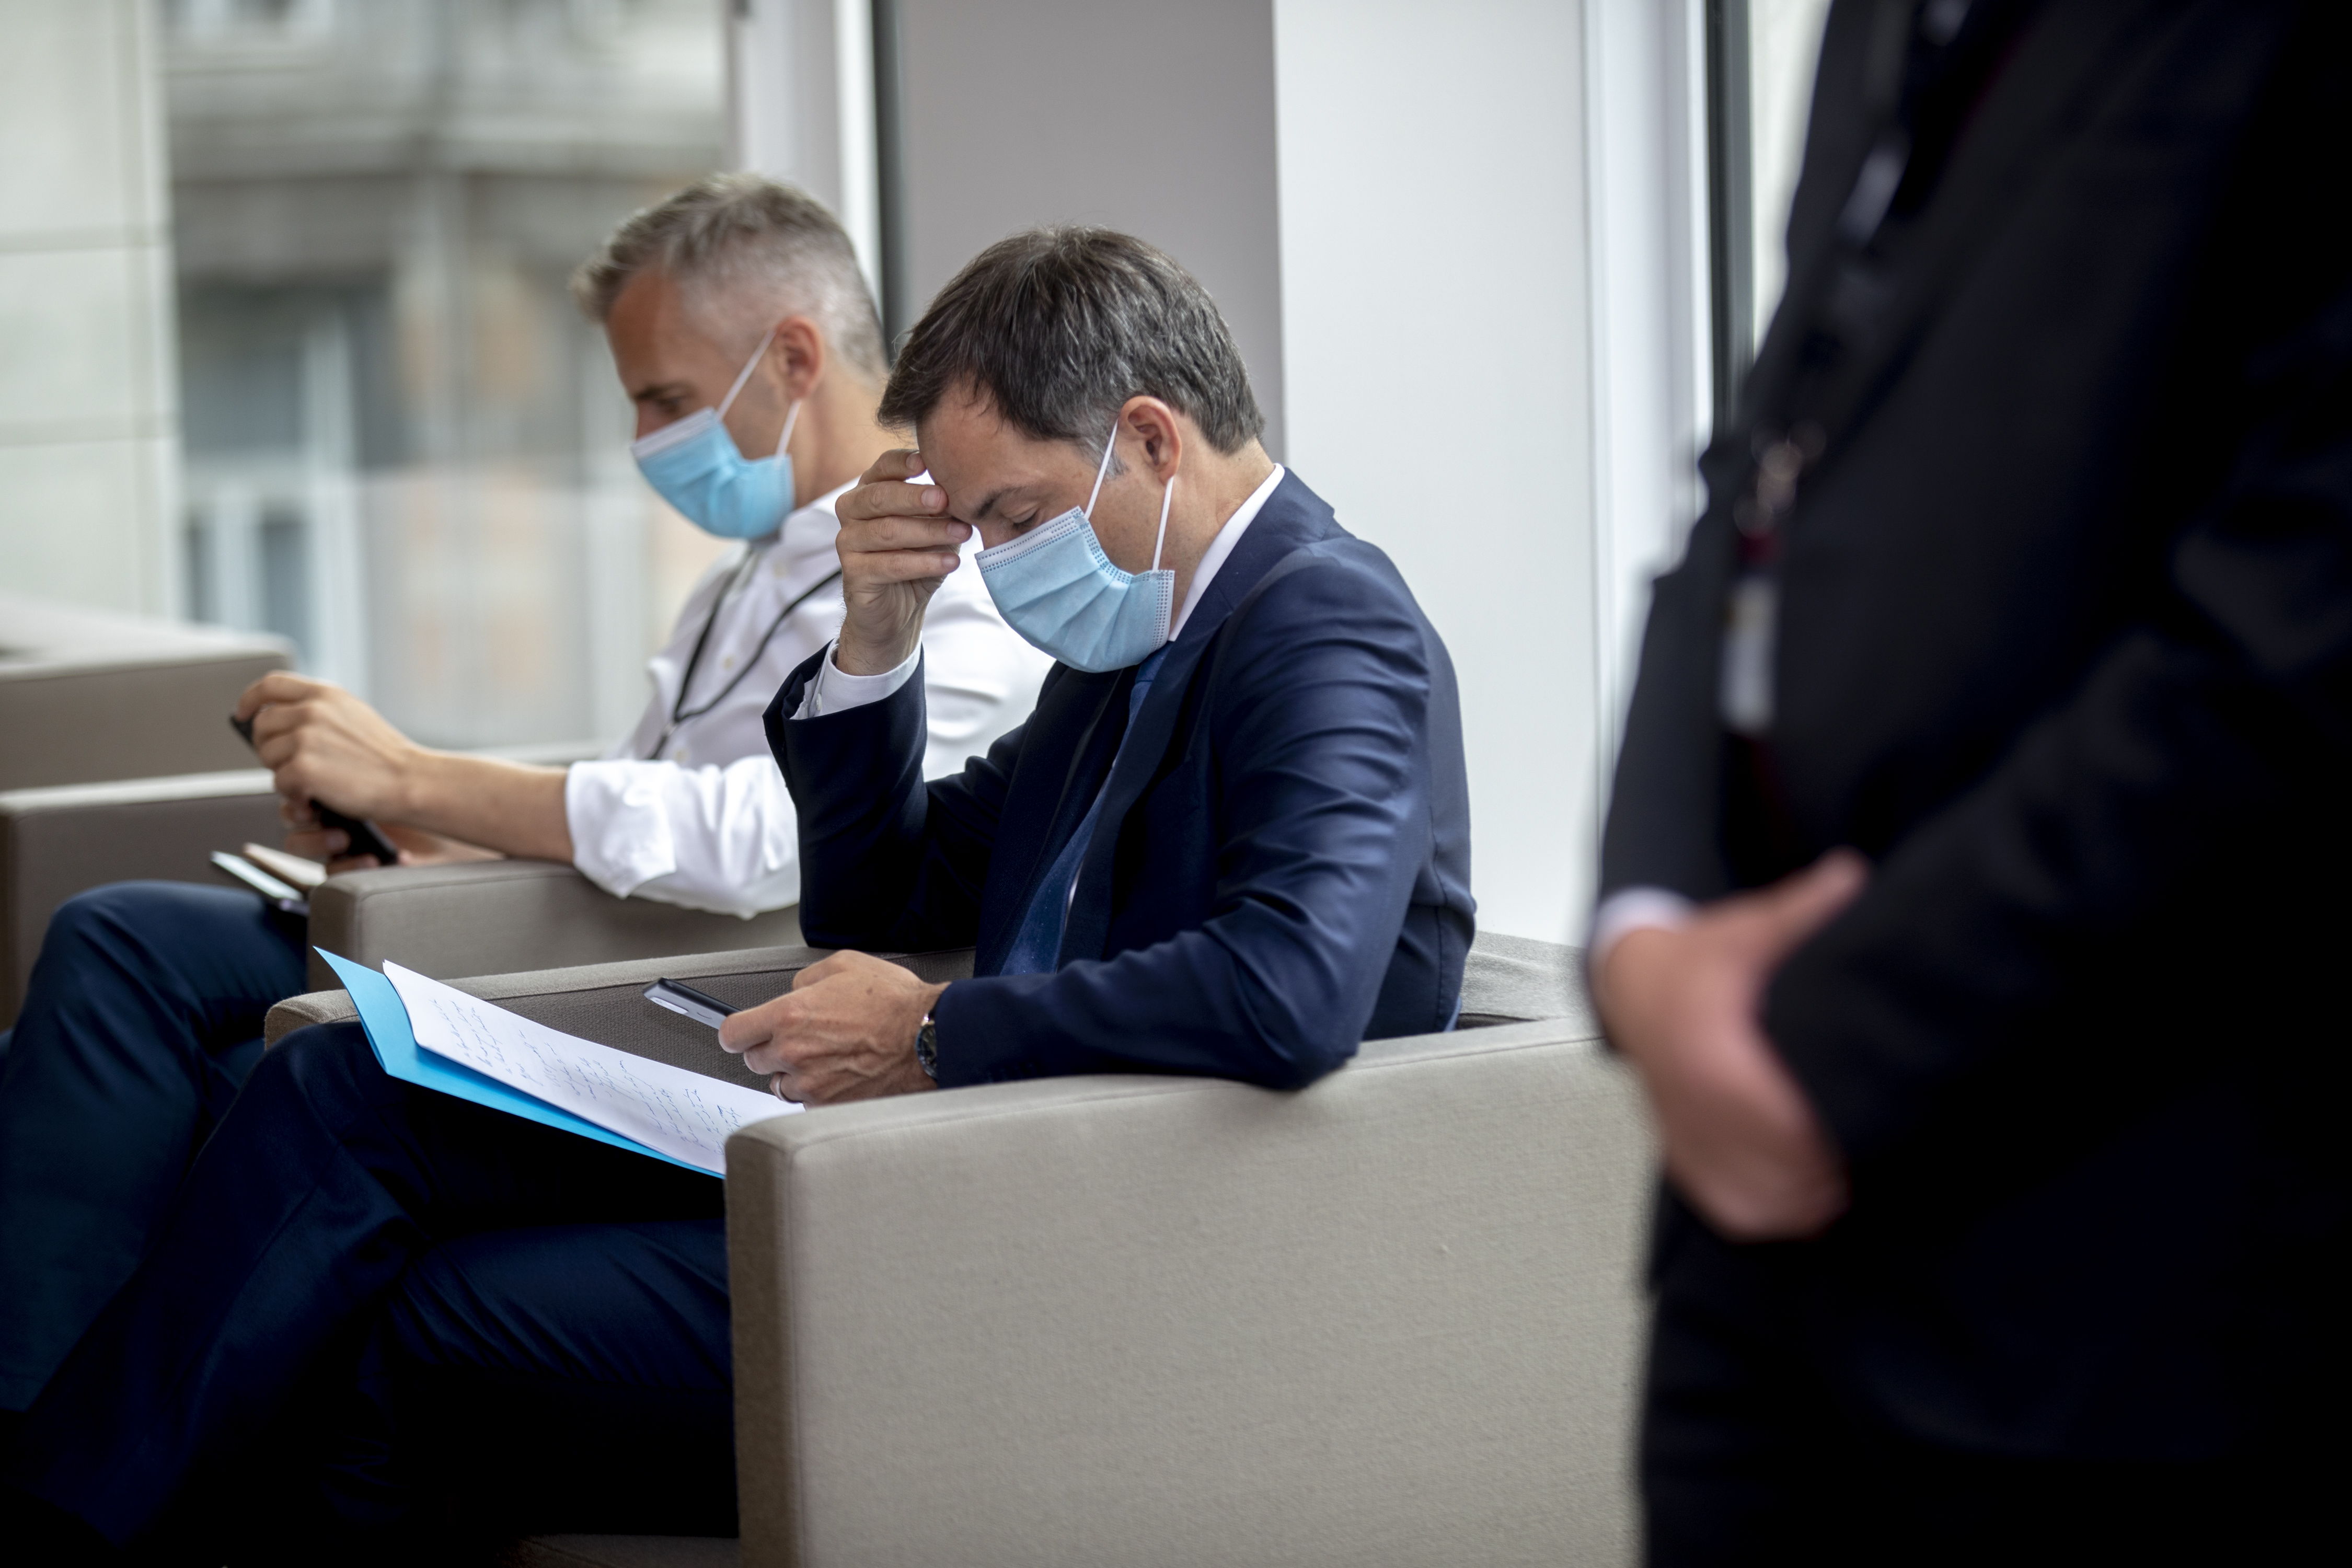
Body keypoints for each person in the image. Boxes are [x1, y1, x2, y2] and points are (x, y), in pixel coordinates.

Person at [0, 225, 1472, 1559]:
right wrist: (876, 640)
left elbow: (1293, 987)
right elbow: (880, 893)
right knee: (336, 1090)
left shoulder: (1323, 624)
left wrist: (939, 1034)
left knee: (401, 1311)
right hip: (928, 1145)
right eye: (973, 528)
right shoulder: (1130, 651)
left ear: (1148, 439)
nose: (1001, 560)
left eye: (1013, 515)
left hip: (1041, 1219)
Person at [0, 173, 1045, 1430]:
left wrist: (413, 775)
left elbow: (760, 847)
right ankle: (78, 1428)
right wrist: (422, 846)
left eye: (665, 399)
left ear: (791, 358)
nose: (649, 438)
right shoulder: (735, 588)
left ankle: (39, 1418)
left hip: (673, 973)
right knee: (147, 1039)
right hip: (577, 923)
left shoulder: (955, 582)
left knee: (122, 947)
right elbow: (638, 791)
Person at [1589, 2, 2349, 1563]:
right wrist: (1646, 933)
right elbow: (1755, 476)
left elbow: (2294, 622)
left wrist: (1813, 1041)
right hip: (1745, 1274)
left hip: (2110, 1275)